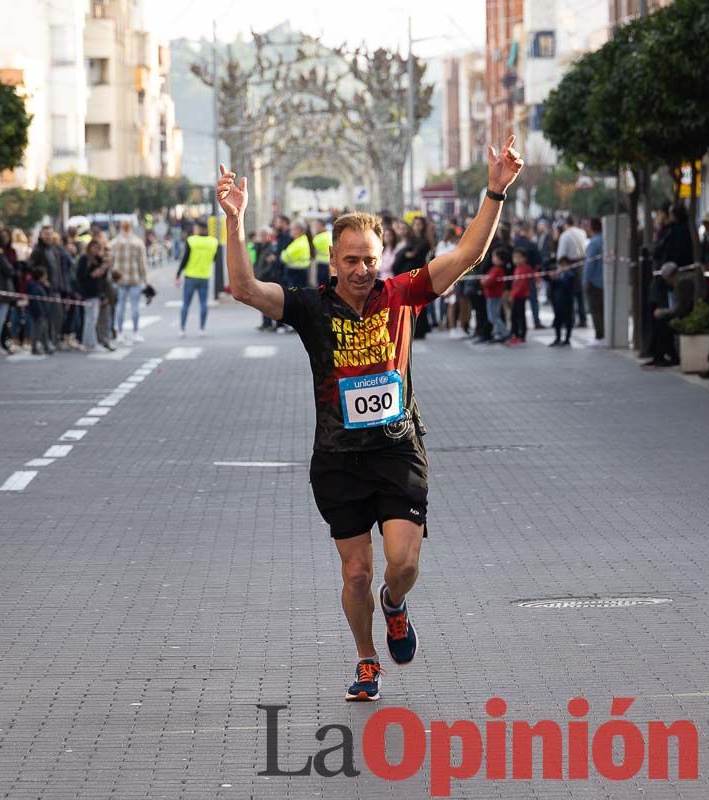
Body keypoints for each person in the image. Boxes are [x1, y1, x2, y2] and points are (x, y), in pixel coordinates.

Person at [215, 133, 523, 701]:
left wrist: (495, 192)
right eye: (351, 260)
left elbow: (467, 256)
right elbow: (243, 288)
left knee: (399, 564)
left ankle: (396, 605)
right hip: (337, 459)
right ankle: (365, 660)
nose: (361, 269)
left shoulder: (402, 294)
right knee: (354, 572)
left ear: (380, 259)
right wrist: (233, 221)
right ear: (331, 260)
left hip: (396, 448)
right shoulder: (310, 306)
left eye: (369, 259)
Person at [644, 262, 696, 369]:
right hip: (685, 313)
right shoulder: (682, 280)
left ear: (671, 276)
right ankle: (662, 356)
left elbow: (680, 309)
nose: (667, 283)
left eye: (667, 279)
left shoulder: (681, 283)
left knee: (662, 324)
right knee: (662, 322)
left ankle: (664, 356)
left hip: (686, 316)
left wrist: (663, 311)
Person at [176, 223, 218, 338]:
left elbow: (185, 258)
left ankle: (182, 329)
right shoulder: (213, 242)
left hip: (191, 276)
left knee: (186, 304)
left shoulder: (191, 241)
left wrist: (178, 273)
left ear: (198, 229)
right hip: (204, 276)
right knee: (203, 303)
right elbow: (214, 259)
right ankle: (202, 329)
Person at [112, 220, 149, 343]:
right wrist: (145, 279)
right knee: (135, 306)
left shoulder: (115, 242)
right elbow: (142, 263)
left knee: (120, 306)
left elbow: (110, 260)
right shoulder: (138, 242)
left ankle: (120, 333)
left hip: (119, 279)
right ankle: (135, 332)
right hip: (135, 278)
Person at [582, 217, 605, 344]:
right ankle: (603, 333)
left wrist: (585, 281)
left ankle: (599, 335)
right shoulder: (604, 240)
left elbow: (589, 264)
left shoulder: (594, 242)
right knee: (602, 309)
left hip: (594, 281)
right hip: (603, 280)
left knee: (595, 309)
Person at [481, 248, 511, 343]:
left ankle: (504, 332)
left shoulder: (497, 270)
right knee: (495, 315)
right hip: (491, 296)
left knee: (493, 317)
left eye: (494, 256)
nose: (492, 258)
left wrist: (484, 281)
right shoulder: (494, 269)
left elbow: (489, 281)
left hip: (494, 296)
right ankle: (499, 333)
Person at [26, 267, 54, 355]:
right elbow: (35, 302)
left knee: (44, 330)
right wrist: (40, 312)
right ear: (40, 277)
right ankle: (34, 347)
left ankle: (46, 346)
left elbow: (48, 296)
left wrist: (48, 288)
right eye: (45, 276)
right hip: (39, 313)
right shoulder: (34, 287)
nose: (46, 278)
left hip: (44, 312)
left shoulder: (40, 286)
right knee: (38, 330)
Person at [508, 247, 534, 345]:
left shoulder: (524, 269)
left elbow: (521, 285)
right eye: (514, 257)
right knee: (514, 316)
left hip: (521, 296)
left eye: (518, 257)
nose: (516, 259)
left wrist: (513, 295)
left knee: (519, 316)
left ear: (524, 258)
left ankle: (521, 336)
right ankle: (515, 334)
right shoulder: (517, 268)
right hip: (516, 295)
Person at [312, 218, 333, 287]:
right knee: (329, 284)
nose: (315, 228)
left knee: (321, 284)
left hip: (322, 264)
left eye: (316, 226)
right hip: (331, 263)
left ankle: (321, 297)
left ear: (322, 226)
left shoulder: (317, 238)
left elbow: (313, 251)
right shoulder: (330, 234)